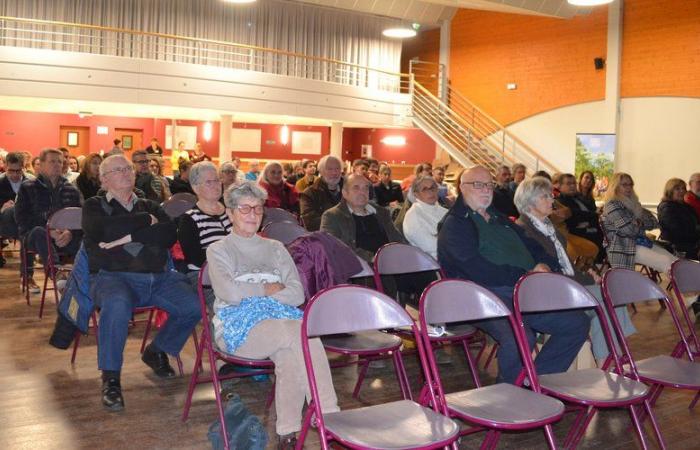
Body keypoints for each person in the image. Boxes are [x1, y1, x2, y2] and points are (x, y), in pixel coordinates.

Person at [207, 182, 339, 448]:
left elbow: (296, 294)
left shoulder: (277, 248)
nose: (252, 214)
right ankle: (330, 417)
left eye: (257, 208)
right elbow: (229, 293)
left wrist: (251, 291)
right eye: (244, 208)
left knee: (290, 354)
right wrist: (268, 287)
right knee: (297, 331)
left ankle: (287, 434)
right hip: (237, 328)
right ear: (230, 214)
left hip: (280, 322)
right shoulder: (219, 249)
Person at [437, 166, 590, 384]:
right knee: (521, 337)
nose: (485, 190)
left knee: (576, 324)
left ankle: (535, 382)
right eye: (478, 185)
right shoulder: (455, 224)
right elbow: (476, 269)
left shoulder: (498, 217)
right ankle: (507, 392)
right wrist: (525, 274)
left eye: (489, 185)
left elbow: (533, 244)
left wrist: (546, 264)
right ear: (462, 188)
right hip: (485, 295)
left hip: (524, 289)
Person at [82, 154, 200, 411]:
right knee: (116, 305)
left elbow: (168, 235)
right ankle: (111, 378)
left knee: (194, 306)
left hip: (158, 277)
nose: (126, 172)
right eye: (118, 170)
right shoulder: (93, 205)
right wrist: (146, 224)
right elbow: (102, 230)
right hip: (114, 277)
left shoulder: (151, 204)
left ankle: (157, 350)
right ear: (104, 179)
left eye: (128, 168)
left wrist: (126, 234)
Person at [514, 177, 635, 363]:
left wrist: (588, 275)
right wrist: (586, 280)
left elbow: (566, 265)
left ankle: (607, 359)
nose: (551, 200)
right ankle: (607, 360)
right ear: (530, 202)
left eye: (551, 195)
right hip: (552, 292)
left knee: (612, 297)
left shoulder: (547, 226)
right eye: (545, 196)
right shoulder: (524, 230)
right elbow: (550, 272)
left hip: (567, 284)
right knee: (609, 298)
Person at [15, 148, 82, 294]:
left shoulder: (71, 189)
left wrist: (70, 232)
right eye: (52, 161)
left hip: (65, 237)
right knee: (40, 232)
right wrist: (49, 231)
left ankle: (85, 279)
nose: (57, 164)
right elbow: (22, 219)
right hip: (35, 236)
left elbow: (79, 217)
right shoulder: (28, 187)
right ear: (42, 164)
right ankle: (56, 272)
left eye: (60, 161)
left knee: (88, 237)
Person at [601, 172, 677, 274]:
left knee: (676, 262)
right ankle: (685, 288)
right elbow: (629, 230)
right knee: (667, 263)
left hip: (641, 242)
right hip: (623, 248)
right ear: (615, 187)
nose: (629, 188)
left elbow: (654, 222)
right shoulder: (612, 205)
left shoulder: (634, 203)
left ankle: (688, 287)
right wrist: (639, 225)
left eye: (631, 185)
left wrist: (639, 223)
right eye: (624, 185)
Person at [320, 173, 403, 263]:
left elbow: (397, 238)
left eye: (365, 188)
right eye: (356, 188)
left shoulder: (381, 212)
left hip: (392, 264)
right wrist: (373, 258)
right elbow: (333, 248)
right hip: (359, 270)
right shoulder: (332, 216)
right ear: (345, 193)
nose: (362, 192)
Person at [178, 162, 231, 273]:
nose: (215, 185)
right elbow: (196, 258)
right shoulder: (189, 219)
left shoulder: (232, 211)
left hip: (236, 270)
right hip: (205, 276)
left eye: (217, 180)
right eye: (208, 182)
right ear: (196, 188)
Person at [556, 173, 604, 256]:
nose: (572, 186)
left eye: (574, 183)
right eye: (568, 184)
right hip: (577, 234)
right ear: (559, 186)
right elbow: (573, 218)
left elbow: (590, 214)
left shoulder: (580, 198)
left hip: (591, 229)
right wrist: (590, 216)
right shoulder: (559, 201)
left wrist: (589, 217)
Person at [403, 175, 447, 259]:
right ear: (416, 194)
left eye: (433, 187)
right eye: (425, 189)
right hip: (433, 264)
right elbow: (431, 246)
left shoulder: (445, 211)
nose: (430, 192)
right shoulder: (412, 216)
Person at [658, 178, 699, 260]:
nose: (682, 191)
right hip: (676, 246)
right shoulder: (666, 207)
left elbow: (695, 224)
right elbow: (676, 232)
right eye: (677, 189)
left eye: (683, 188)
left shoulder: (686, 206)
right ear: (670, 191)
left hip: (690, 242)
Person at [299, 155, 343, 231]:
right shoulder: (309, 194)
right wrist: (340, 219)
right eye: (329, 169)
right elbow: (310, 223)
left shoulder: (349, 189)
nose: (334, 173)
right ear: (321, 172)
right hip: (323, 237)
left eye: (337, 168)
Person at [0, 153, 29, 267]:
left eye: (18, 171)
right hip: (4, 221)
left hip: (25, 221)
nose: (15, 174)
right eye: (11, 170)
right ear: (6, 166)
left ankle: (26, 266)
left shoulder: (31, 182)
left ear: (23, 167)